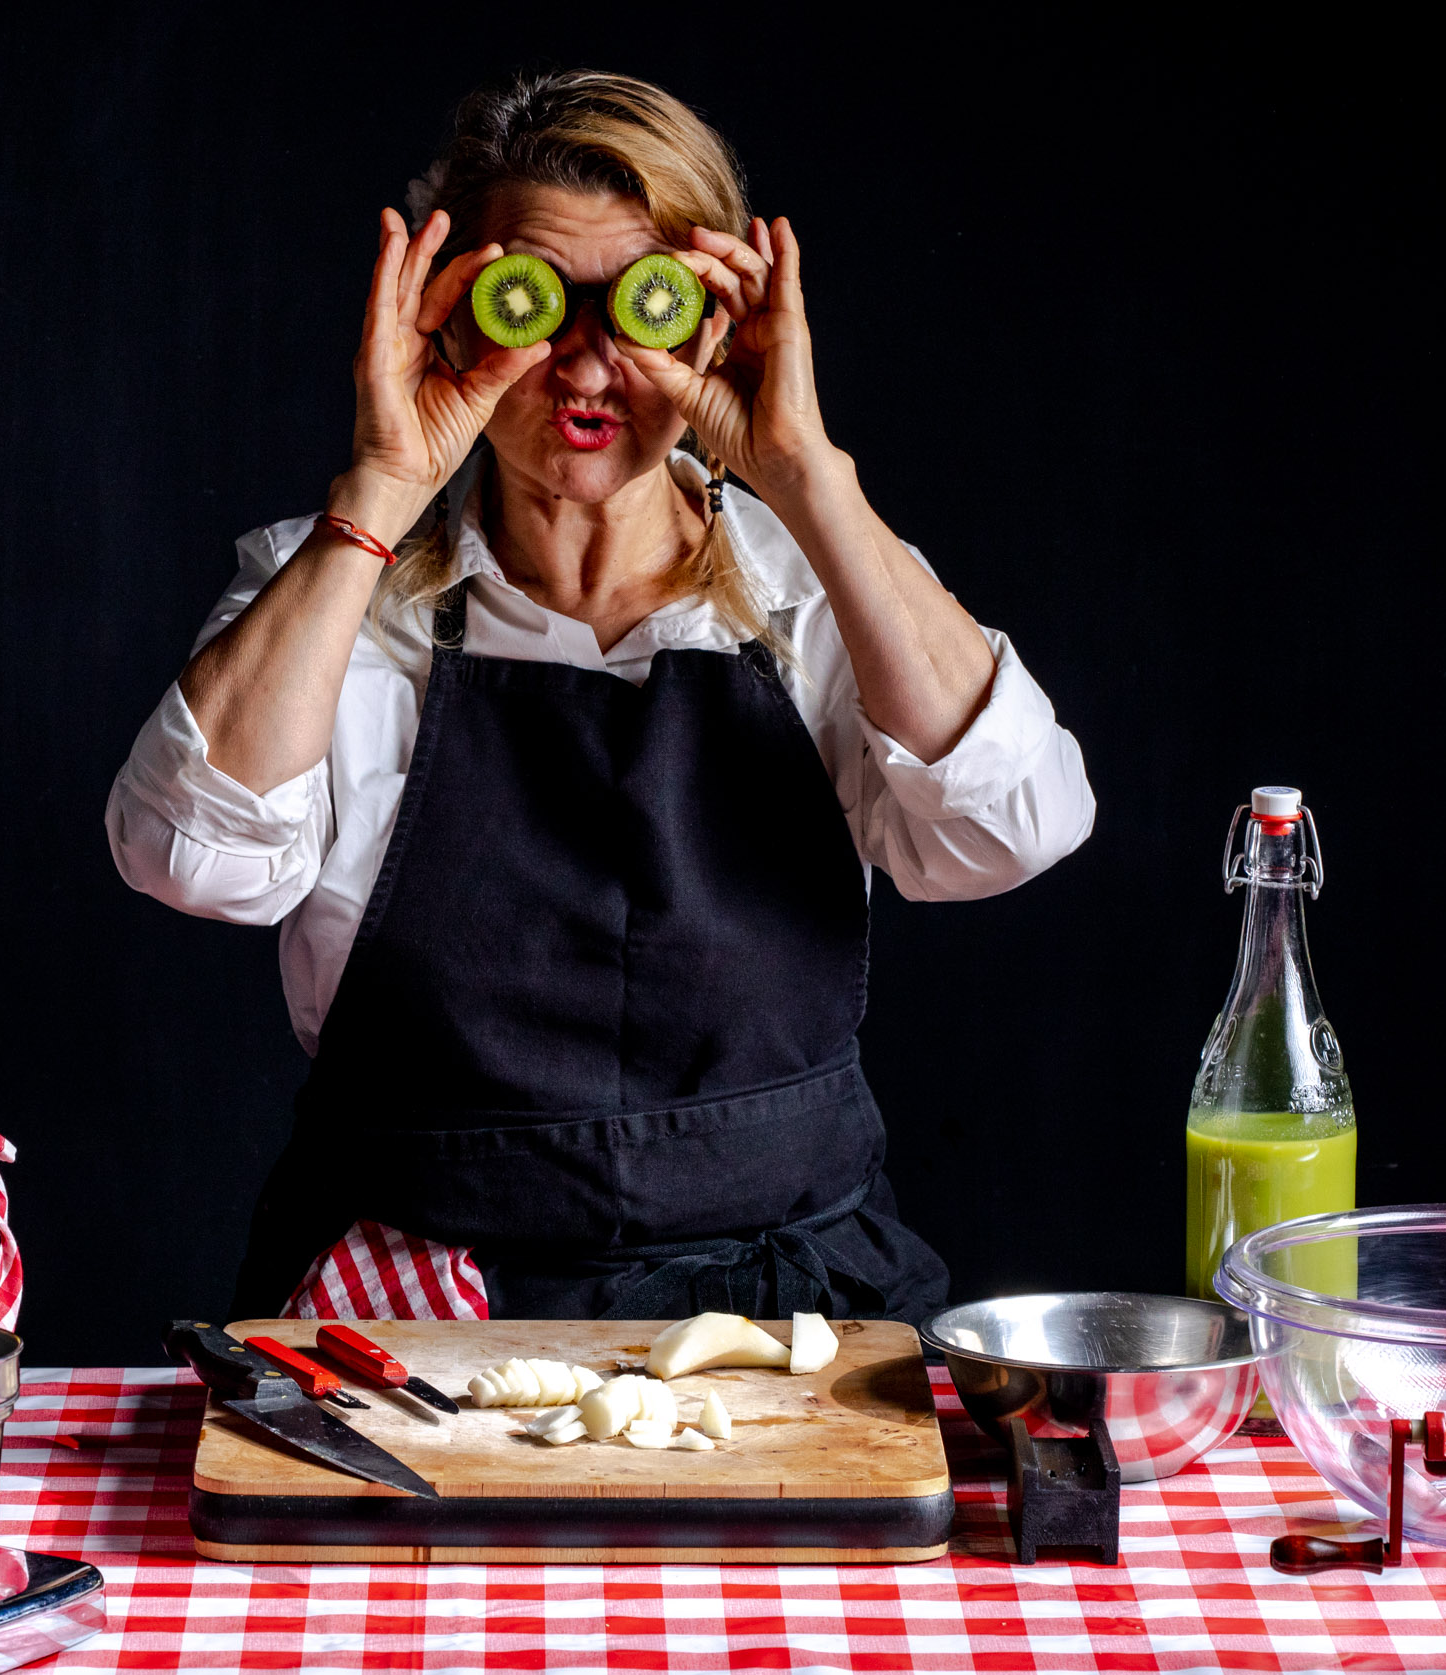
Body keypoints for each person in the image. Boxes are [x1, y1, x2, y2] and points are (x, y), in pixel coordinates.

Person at [109, 71, 1093, 1327]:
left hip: (789, 1324)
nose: (586, 361)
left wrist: (808, 476)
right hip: (407, 1315)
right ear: (451, 315)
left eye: (641, 303)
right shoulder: (336, 586)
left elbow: (1011, 833)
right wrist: (382, 486)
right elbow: (191, 861)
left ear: (716, 319)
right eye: (532, 304)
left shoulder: (817, 587)